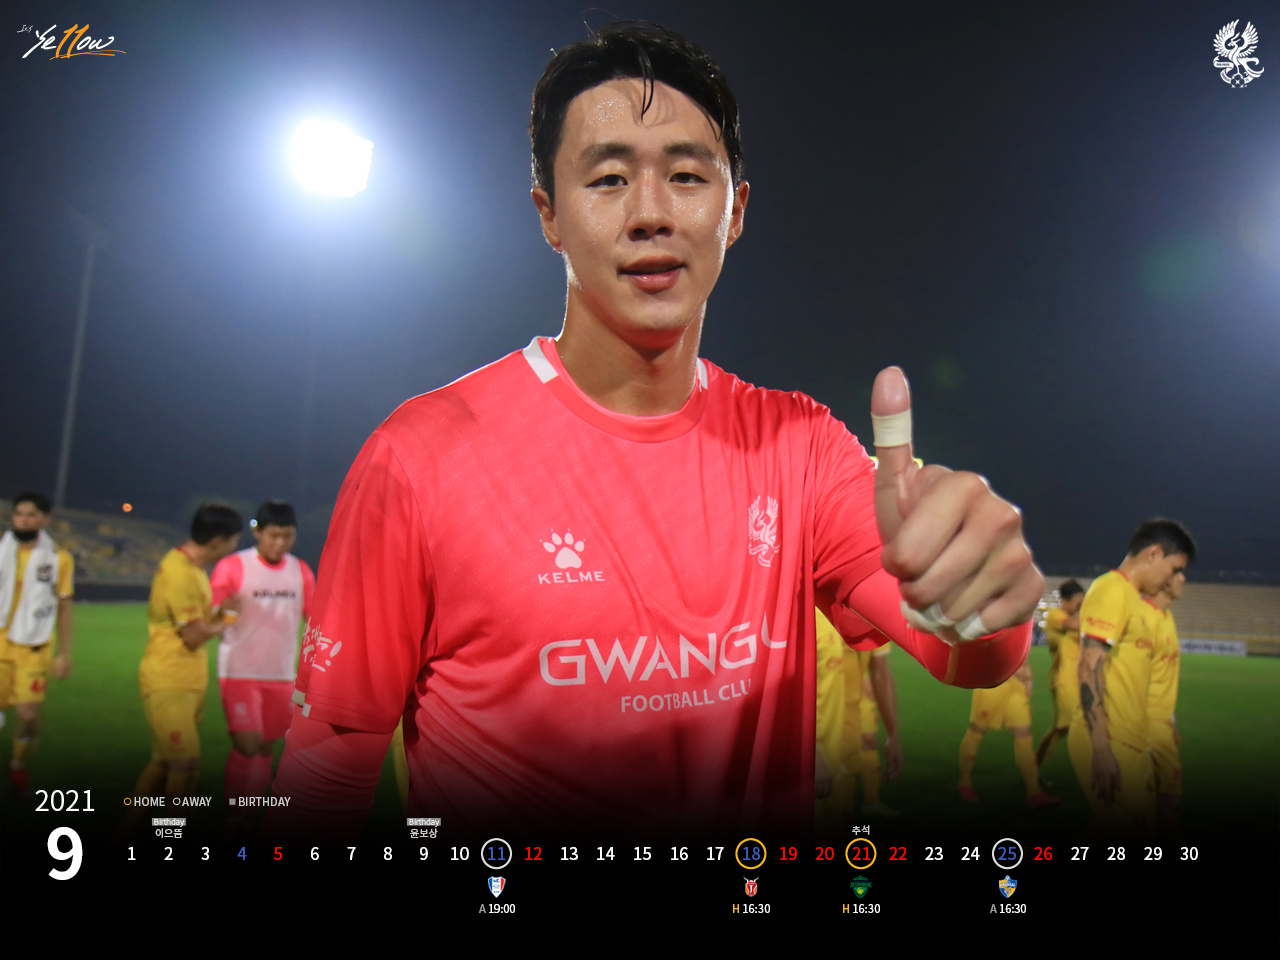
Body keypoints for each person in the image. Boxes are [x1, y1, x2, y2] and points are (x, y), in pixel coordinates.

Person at [268, 21, 1042, 840]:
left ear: (735, 212)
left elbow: (967, 656)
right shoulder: (421, 456)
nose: (650, 214)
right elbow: (331, 757)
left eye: (685, 176)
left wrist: (981, 598)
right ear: (549, 215)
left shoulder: (800, 447)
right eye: (607, 179)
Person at [1068, 518, 1195, 834]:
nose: (1171, 578)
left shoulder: (1134, 600)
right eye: (1173, 568)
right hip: (1110, 740)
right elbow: (1088, 666)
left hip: (1132, 740)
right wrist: (1100, 749)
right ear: (1153, 554)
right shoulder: (1111, 588)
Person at [125, 503, 243, 822]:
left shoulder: (193, 568)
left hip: (187, 679)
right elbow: (192, 636)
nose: (234, 547)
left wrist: (218, 613)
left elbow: (198, 622)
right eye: (233, 540)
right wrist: (227, 620)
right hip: (169, 679)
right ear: (217, 541)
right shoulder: (179, 572)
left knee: (165, 763)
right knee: (185, 765)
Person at [210, 500, 314, 835]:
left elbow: (314, 620)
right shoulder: (233, 566)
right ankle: (234, 817)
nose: (280, 543)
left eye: (287, 536)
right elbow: (213, 613)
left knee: (267, 746)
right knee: (248, 743)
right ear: (257, 532)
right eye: (273, 536)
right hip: (239, 670)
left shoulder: (301, 571)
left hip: (282, 674)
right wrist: (222, 609)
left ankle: (248, 814)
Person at [0, 492, 74, 798]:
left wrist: (65, 652)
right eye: (19, 514)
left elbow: (65, 604)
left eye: (31, 515)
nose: (23, 520)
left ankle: (18, 766)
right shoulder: (2, 549)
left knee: (29, 717)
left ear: (45, 519)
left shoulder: (58, 558)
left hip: (34, 646)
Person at [957, 654, 1061, 808]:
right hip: (991, 681)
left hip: (1016, 684)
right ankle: (964, 783)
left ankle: (1034, 793)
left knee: (1023, 733)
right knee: (977, 730)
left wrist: (1028, 676)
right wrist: (1019, 671)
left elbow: (1020, 649)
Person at [1146, 569, 1184, 833]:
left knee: (1164, 799)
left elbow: (1162, 677)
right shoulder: (1143, 618)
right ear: (1164, 578)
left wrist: (1170, 720)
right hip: (1144, 726)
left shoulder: (1166, 616)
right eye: (1178, 572)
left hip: (1161, 724)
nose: (1183, 579)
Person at [1035, 579, 1083, 766]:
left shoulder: (1077, 619)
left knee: (1061, 728)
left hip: (1080, 680)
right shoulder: (1055, 615)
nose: (1080, 607)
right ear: (1065, 600)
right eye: (1077, 603)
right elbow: (1073, 625)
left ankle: (1033, 768)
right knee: (1071, 726)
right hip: (1065, 680)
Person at [855, 643, 902, 817]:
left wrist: (893, 736)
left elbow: (881, 668)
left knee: (868, 739)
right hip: (824, 695)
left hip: (857, 694)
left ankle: (871, 802)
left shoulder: (876, 626)